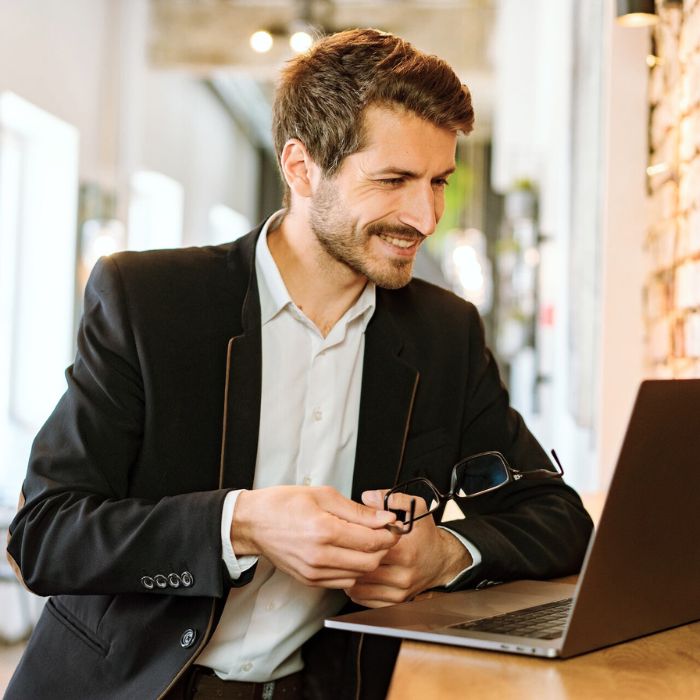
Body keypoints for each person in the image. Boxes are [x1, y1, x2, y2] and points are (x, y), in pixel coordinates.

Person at [5, 28, 592, 700]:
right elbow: (46, 535)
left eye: (438, 182)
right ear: (301, 166)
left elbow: (558, 518)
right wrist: (241, 523)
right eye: (394, 180)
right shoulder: (147, 301)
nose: (425, 216)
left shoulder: (443, 335)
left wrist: (445, 555)